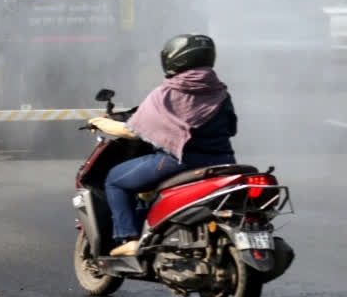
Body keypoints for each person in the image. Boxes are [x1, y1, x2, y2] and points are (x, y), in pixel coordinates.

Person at [87, 34, 238, 257]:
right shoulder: (221, 92)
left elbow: (131, 131)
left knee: (114, 180)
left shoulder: (168, 93)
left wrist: (99, 121)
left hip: (179, 162)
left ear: (174, 60)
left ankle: (129, 238)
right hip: (223, 162)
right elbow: (231, 127)